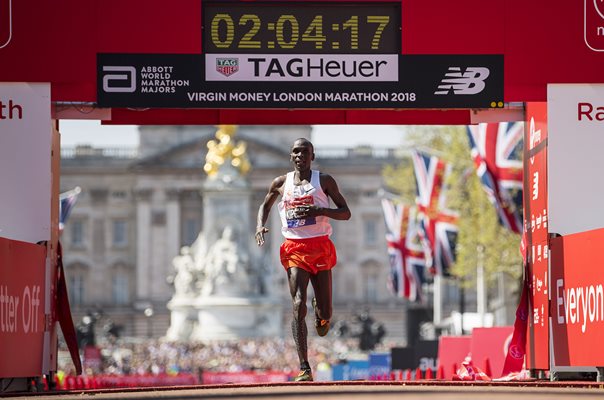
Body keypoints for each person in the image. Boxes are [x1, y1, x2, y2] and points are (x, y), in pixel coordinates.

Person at [255, 138, 351, 382]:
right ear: (291, 156)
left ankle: (322, 314)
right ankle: (304, 366)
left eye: (304, 152)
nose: (300, 156)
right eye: (296, 152)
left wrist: (319, 211)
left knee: (325, 311)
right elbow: (265, 205)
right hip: (294, 247)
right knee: (298, 304)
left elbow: (345, 212)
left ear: (312, 156)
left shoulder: (324, 181)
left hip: (320, 246)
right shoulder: (280, 183)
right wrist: (260, 226)